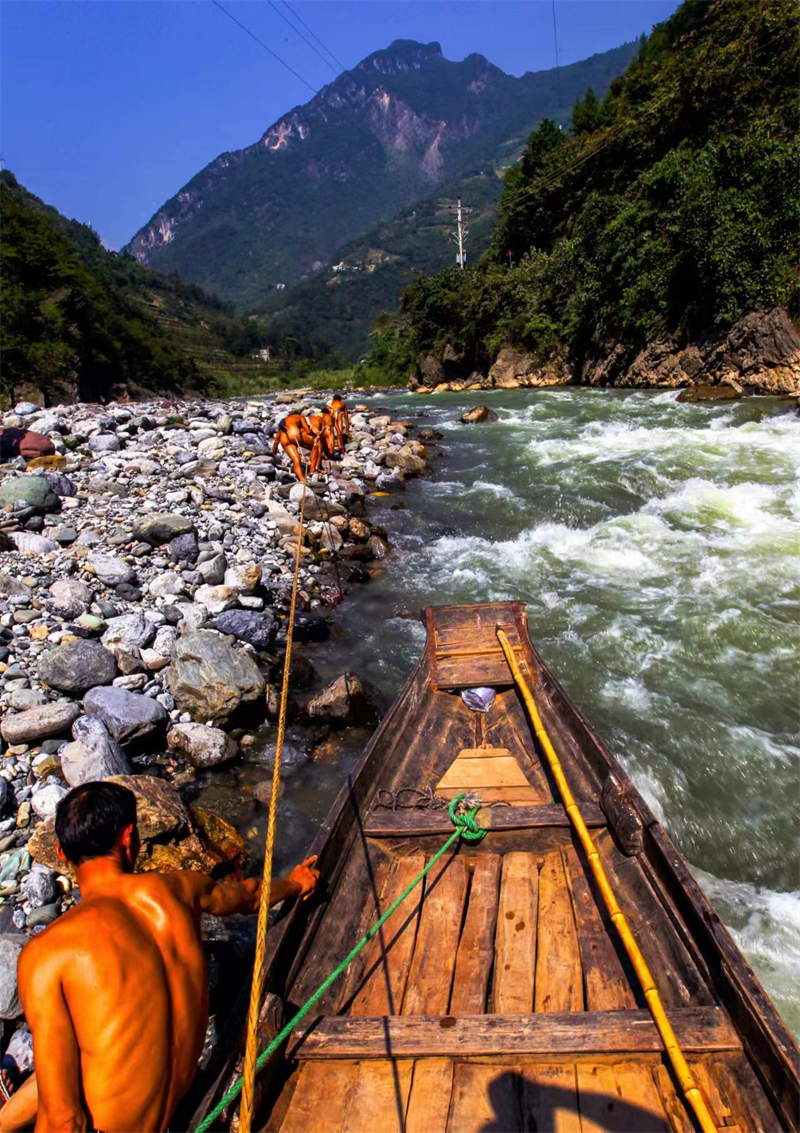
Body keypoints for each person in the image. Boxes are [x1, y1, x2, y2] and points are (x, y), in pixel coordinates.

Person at [0, 781, 319, 1133]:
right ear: (129, 838)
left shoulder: (48, 953)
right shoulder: (182, 888)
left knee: (59, 1057)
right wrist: (296, 884)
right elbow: (250, 896)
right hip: (167, 1104)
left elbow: (65, 1121)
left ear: (61, 853)